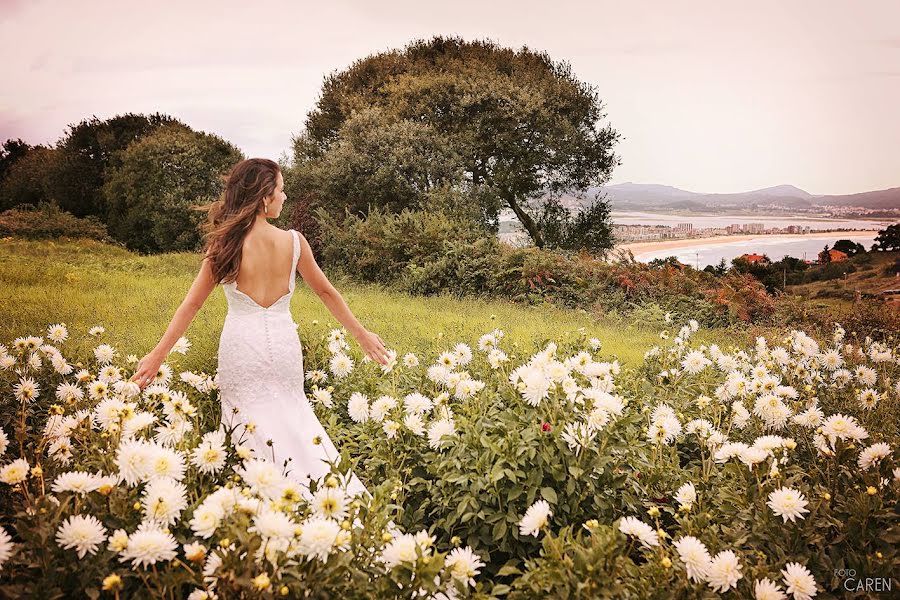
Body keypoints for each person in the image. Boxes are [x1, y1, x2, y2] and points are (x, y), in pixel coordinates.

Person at [130, 158, 387, 497]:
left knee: (246, 426)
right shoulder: (295, 242)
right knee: (295, 420)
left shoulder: (226, 244)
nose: (284, 197)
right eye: (281, 190)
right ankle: (323, 497)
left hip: (242, 347)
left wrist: (157, 355)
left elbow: (191, 304)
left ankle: (262, 505)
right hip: (283, 347)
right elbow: (326, 292)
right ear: (265, 197)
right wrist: (361, 335)